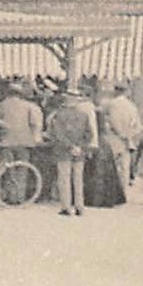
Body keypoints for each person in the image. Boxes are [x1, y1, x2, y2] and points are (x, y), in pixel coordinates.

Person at [48, 89, 94, 217]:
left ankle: (66, 207)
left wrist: (70, 146)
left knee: (64, 179)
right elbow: (89, 134)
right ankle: (80, 206)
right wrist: (80, 147)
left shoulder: (59, 115)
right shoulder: (84, 115)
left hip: (63, 151)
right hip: (80, 152)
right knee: (78, 179)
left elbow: (57, 134)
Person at [100, 83, 141, 190]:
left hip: (113, 137)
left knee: (111, 165)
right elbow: (137, 125)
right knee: (125, 166)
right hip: (127, 139)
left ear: (115, 91)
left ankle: (112, 191)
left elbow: (110, 121)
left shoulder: (109, 104)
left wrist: (120, 133)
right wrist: (129, 135)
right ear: (126, 92)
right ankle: (124, 191)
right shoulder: (132, 106)